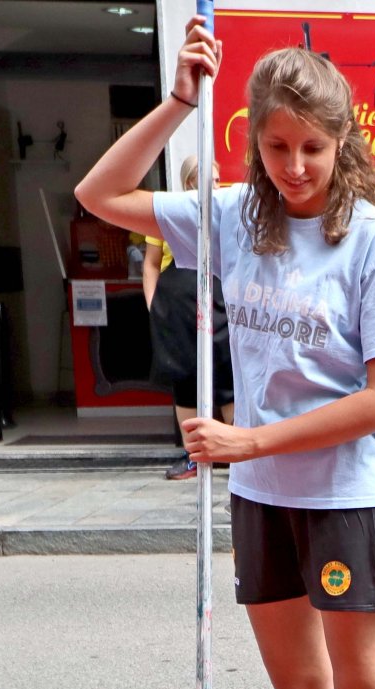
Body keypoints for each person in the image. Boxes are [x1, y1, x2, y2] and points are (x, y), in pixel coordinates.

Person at [77, 16, 375, 689]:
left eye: (315, 146)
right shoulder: (233, 219)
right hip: (263, 496)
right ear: (254, 138)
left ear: (342, 140)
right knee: (297, 688)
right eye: (277, 145)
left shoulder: (373, 242)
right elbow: (99, 193)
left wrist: (254, 442)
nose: (296, 165)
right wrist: (178, 101)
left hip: (348, 494)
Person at [143, 157, 236, 482]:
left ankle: (238, 453)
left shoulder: (226, 212)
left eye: (216, 179)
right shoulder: (169, 212)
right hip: (175, 302)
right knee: (184, 377)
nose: (212, 186)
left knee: (228, 371)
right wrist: (154, 306)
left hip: (218, 298)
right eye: (204, 180)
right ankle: (193, 455)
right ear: (189, 182)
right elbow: (151, 265)